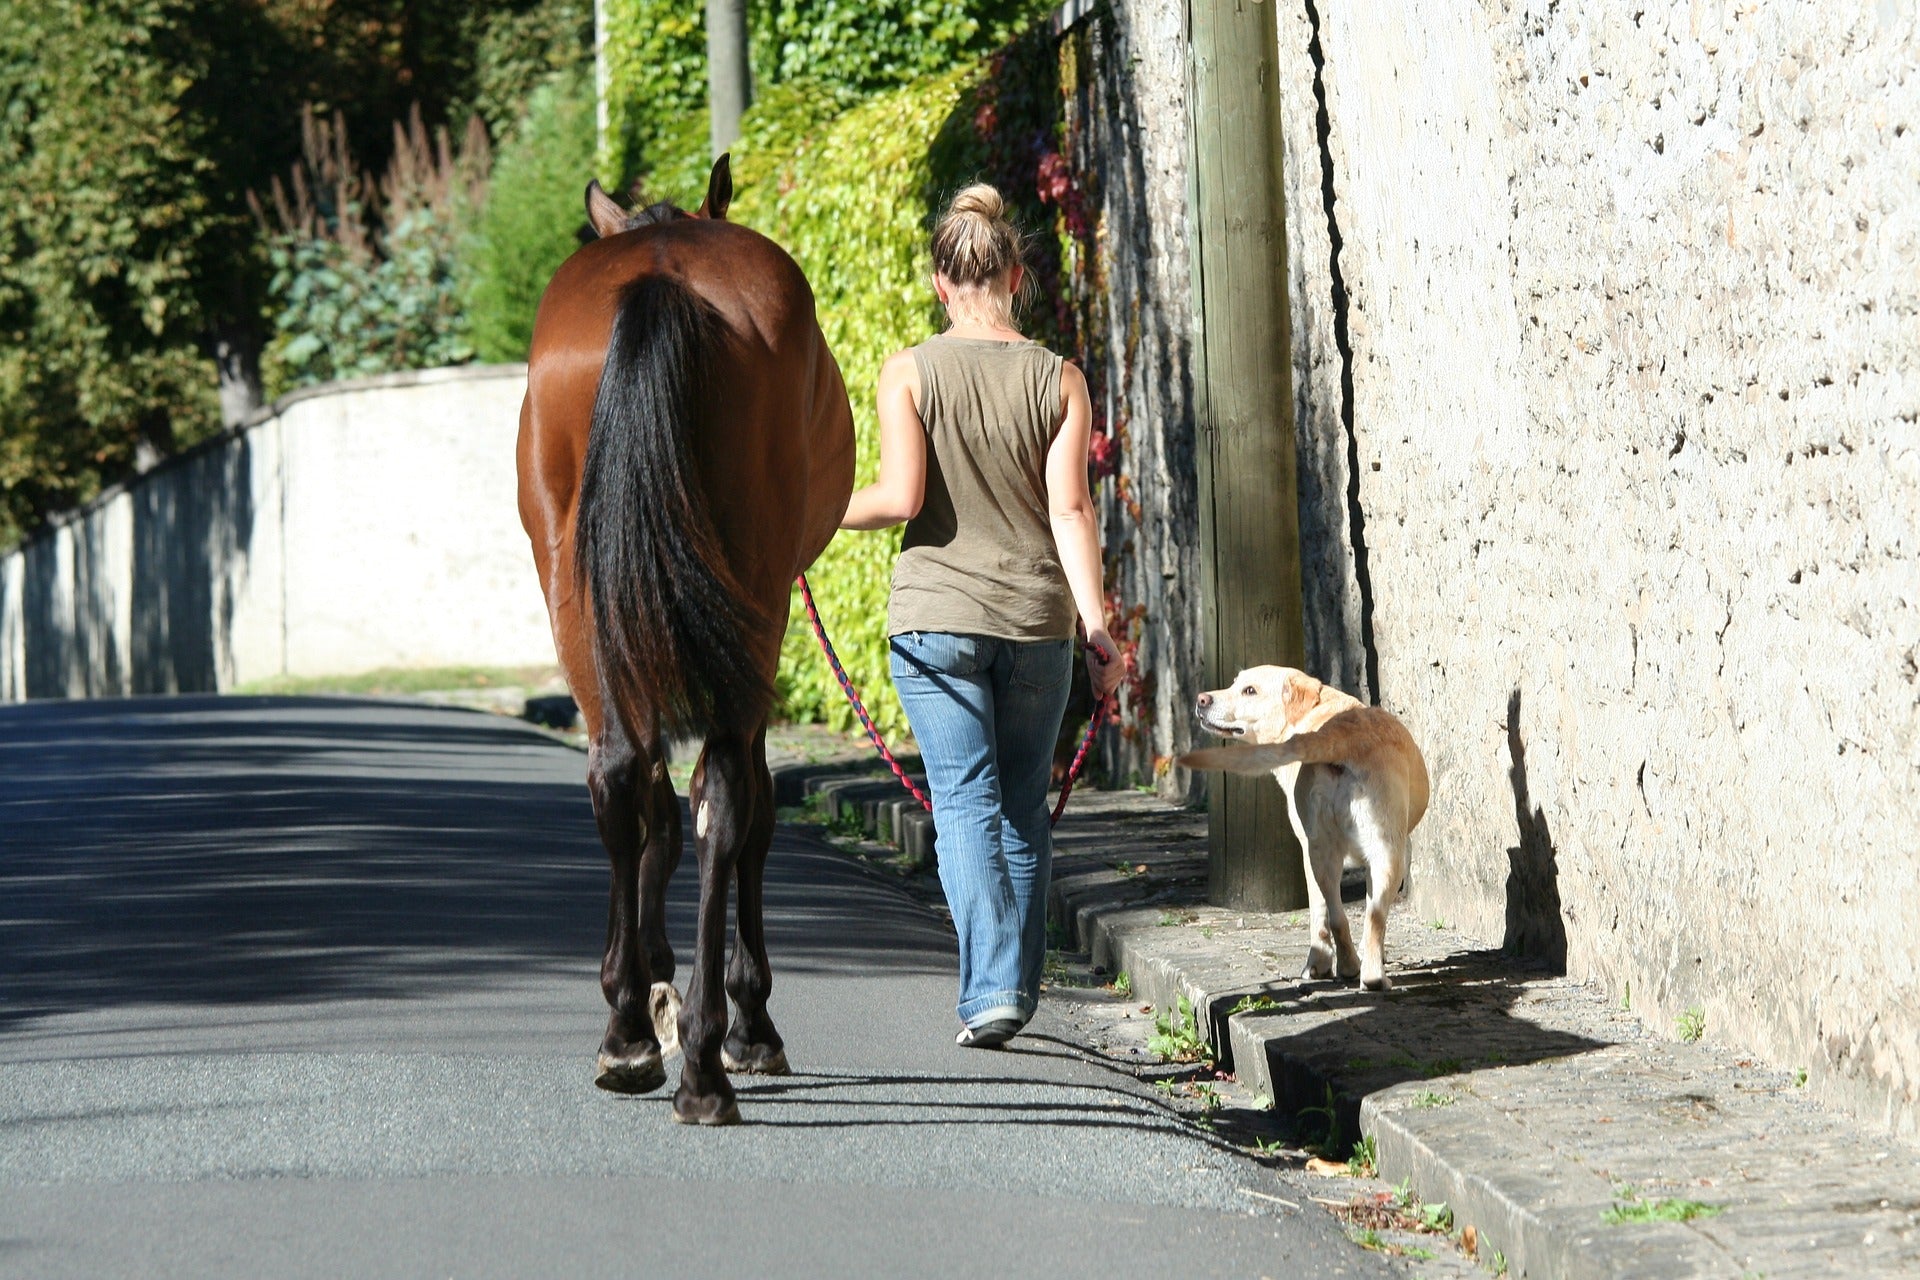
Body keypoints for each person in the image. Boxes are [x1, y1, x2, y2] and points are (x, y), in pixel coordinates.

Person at [840, 183, 1126, 1049]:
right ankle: (1010, 986)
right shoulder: (1059, 378)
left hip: (936, 620)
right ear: (1013, 271)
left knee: (963, 804)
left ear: (940, 282)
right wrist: (1099, 630)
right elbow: (1073, 511)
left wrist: (806, 515)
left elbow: (899, 498)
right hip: (1037, 623)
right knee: (1021, 808)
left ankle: (995, 989)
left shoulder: (910, 370)